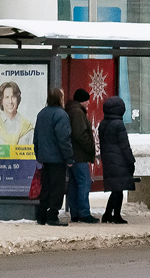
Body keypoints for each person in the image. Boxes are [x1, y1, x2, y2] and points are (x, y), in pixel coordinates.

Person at [34, 88, 73, 226]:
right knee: (57, 188)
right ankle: (52, 215)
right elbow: (64, 139)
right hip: (57, 158)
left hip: (44, 158)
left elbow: (36, 137)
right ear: (59, 99)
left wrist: (38, 154)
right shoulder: (61, 115)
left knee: (46, 186)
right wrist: (69, 158)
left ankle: (41, 215)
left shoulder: (42, 114)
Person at [99, 95, 135, 224]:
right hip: (119, 161)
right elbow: (125, 146)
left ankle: (108, 214)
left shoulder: (103, 123)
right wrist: (131, 161)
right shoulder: (119, 124)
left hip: (109, 160)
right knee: (118, 190)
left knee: (116, 189)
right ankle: (116, 215)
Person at [65, 89, 98, 224]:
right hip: (79, 155)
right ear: (82, 101)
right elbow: (80, 134)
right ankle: (84, 212)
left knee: (73, 184)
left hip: (73, 154)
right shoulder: (77, 112)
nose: (88, 103)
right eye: (87, 100)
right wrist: (90, 145)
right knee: (84, 182)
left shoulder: (71, 110)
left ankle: (75, 213)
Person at [0, 80, 35, 146]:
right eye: (7, 97)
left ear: (18, 99)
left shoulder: (27, 125)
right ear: (1, 100)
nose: (10, 101)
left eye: (13, 97)